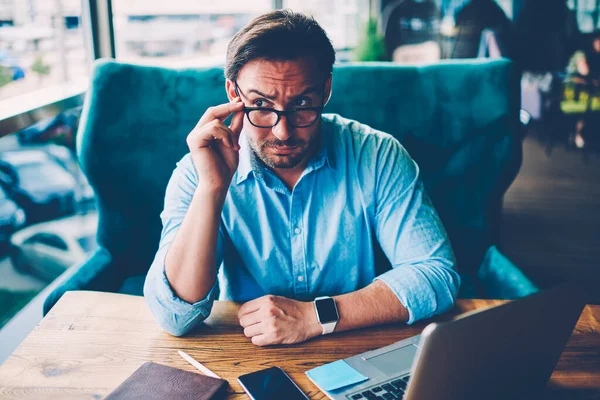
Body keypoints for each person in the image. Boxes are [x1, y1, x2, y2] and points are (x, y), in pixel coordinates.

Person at [144, 10, 459, 346]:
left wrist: (317, 316)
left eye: (302, 104)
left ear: (325, 90)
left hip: (356, 347)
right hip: (247, 356)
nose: (282, 131)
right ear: (233, 95)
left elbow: (435, 273)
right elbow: (175, 316)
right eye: (261, 104)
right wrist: (212, 189)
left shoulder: (377, 155)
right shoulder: (198, 170)